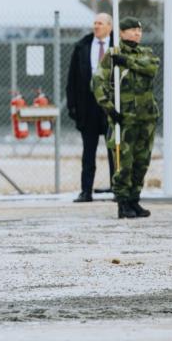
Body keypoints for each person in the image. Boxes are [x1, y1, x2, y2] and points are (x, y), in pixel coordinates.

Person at [92, 16, 159, 219]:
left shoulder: (146, 53)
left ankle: (134, 199)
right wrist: (109, 109)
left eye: (139, 30)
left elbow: (151, 68)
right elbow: (98, 82)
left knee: (142, 161)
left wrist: (127, 61)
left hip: (146, 117)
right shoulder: (112, 55)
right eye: (132, 30)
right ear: (121, 33)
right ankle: (123, 202)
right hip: (125, 118)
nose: (137, 33)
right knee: (124, 162)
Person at [66, 13, 115, 202]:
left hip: (111, 106)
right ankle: (86, 190)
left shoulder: (118, 47)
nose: (96, 26)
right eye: (95, 23)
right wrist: (73, 106)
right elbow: (72, 78)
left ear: (110, 26)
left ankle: (117, 188)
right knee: (88, 151)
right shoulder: (82, 47)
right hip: (88, 106)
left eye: (100, 23)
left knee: (114, 149)